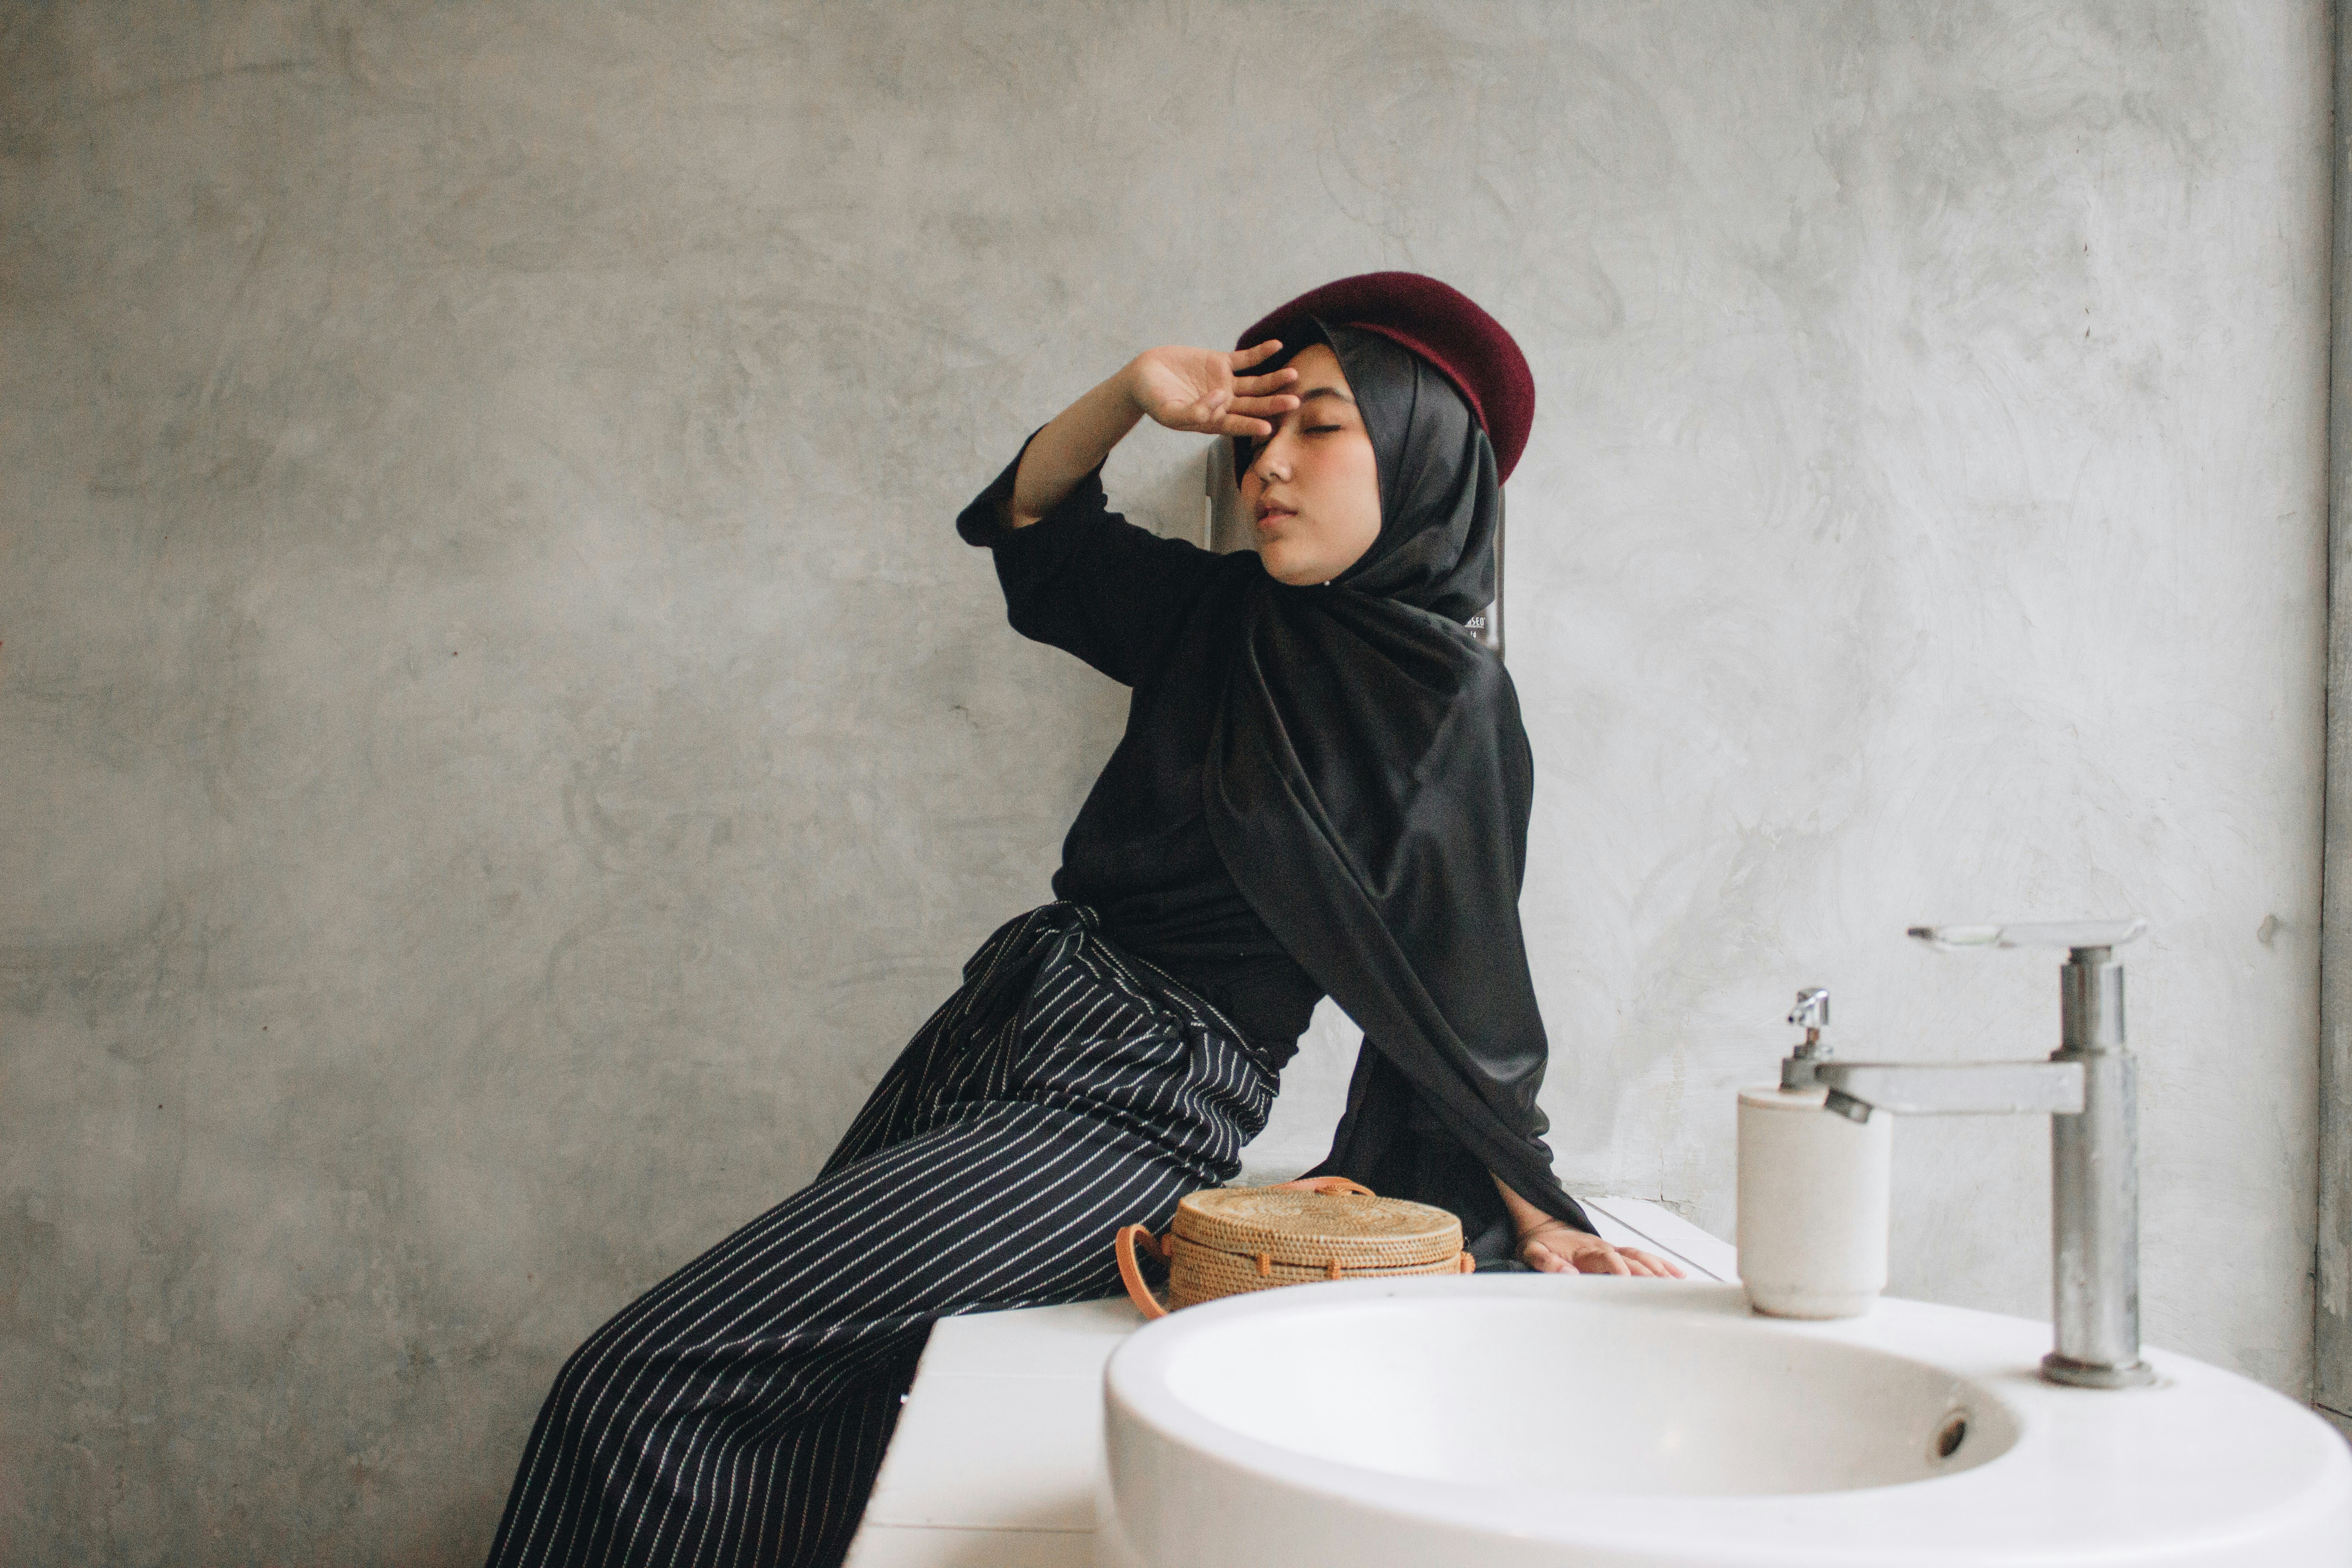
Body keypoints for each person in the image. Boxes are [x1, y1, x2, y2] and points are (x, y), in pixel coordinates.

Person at [480, 272, 1681, 1568]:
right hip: (996, 1033)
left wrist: (1546, 1214)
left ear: (1425, 448)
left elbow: (1462, 986)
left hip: (1126, 1110)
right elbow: (1037, 531)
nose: (1269, 464)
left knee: (636, 1383)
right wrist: (1129, 394)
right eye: (1260, 434)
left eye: (1320, 426)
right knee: (826, 1430)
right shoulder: (1228, 618)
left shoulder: (1448, 709)